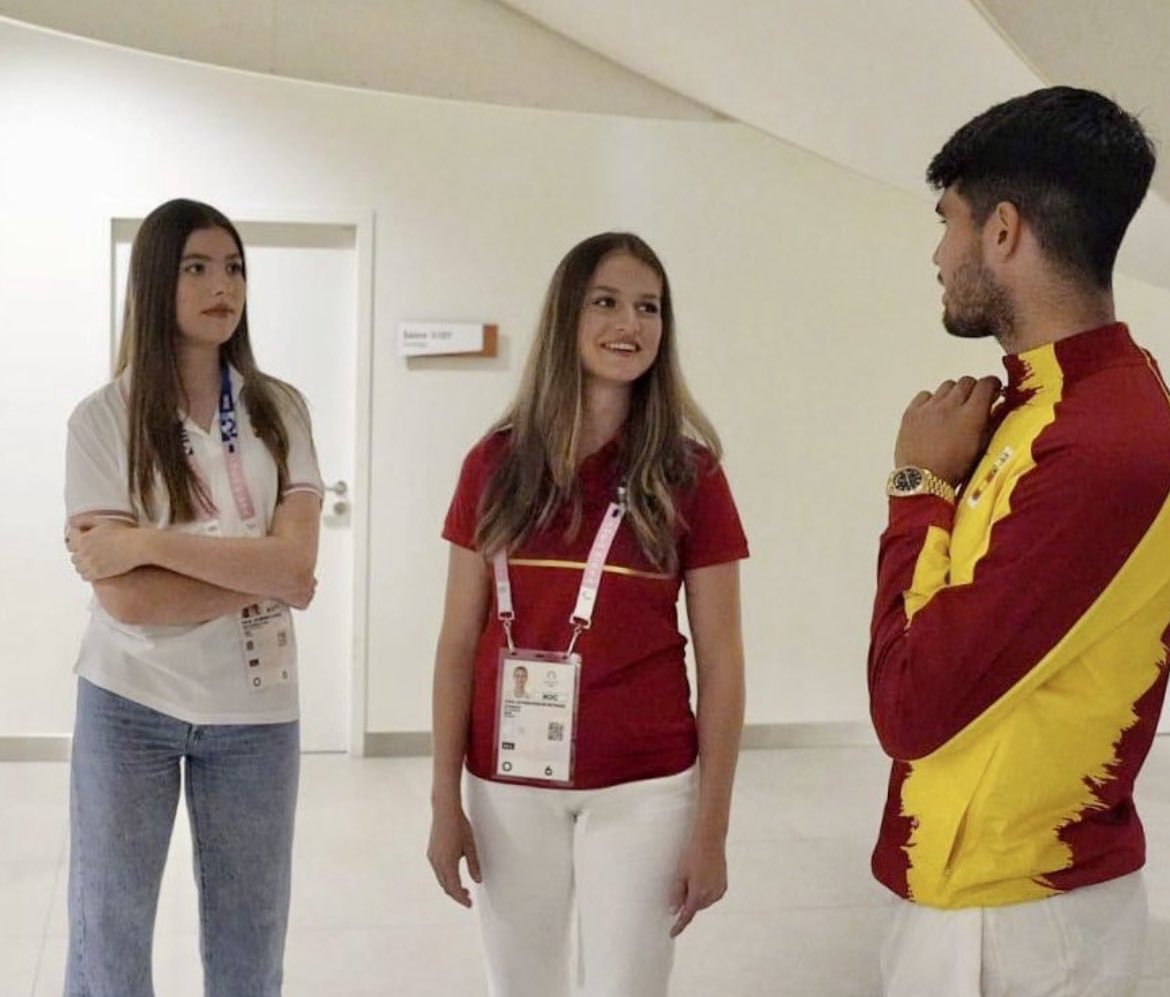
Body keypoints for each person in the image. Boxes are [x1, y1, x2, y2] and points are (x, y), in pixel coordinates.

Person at [868, 87, 1169, 996]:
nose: (937, 252)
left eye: (947, 222)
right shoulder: (1035, 403)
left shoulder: (1106, 439)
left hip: (1023, 921)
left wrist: (915, 490)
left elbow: (912, 706)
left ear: (1003, 231)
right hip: (968, 893)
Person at [427, 232, 748, 997]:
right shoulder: (494, 465)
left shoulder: (688, 473)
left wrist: (712, 827)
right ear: (567, 316)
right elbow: (455, 641)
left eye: (648, 307)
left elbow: (724, 661)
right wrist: (444, 799)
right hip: (509, 783)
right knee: (522, 985)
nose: (628, 323)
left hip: (645, 785)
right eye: (606, 301)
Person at [63, 198, 324, 995]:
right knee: (109, 937)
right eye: (198, 267)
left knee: (251, 946)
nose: (224, 286)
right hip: (128, 700)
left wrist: (142, 543)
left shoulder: (279, 408)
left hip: (255, 710)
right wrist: (255, 568)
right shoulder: (102, 419)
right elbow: (129, 605)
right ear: (155, 281)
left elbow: (298, 572)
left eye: (235, 267)